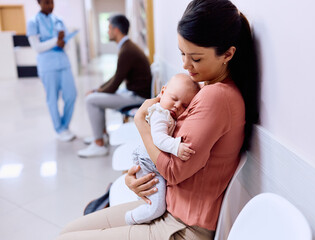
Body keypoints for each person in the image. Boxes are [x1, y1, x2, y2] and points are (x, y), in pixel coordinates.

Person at [56, 0, 258, 239]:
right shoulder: (206, 88)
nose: (185, 64)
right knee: (68, 231)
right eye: (182, 53)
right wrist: (138, 177)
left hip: (182, 226)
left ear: (228, 54)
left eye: (196, 58)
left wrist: (141, 123)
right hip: (164, 207)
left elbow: (173, 171)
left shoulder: (216, 97)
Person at [125, 73, 200, 225]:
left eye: (185, 105)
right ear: (163, 92)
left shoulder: (167, 113)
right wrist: (176, 147)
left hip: (149, 161)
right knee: (156, 208)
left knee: (148, 197)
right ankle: (131, 218)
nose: (177, 106)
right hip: (149, 163)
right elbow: (158, 139)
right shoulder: (160, 113)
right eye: (174, 99)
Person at [77, 14, 152, 158]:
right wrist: (97, 90)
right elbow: (115, 77)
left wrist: (96, 92)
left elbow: (114, 85)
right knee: (95, 97)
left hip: (138, 98)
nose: (108, 31)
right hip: (135, 93)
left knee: (91, 100)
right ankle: (100, 135)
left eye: (109, 28)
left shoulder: (127, 50)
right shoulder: (127, 47)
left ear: (116, 30)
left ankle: (99, 144)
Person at [27, 0, 77, 142]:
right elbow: (37, 47)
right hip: (47, 66)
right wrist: (56, 40)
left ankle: (65, 126)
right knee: (52, 99)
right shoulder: (33, 22)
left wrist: (63, 43)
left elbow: (66, 45)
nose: (50, 5)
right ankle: (59, 129)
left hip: (63, 63)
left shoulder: (59, 20)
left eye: (52, 2)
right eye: (46, 2)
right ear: (39, 2)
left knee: (71, 95)